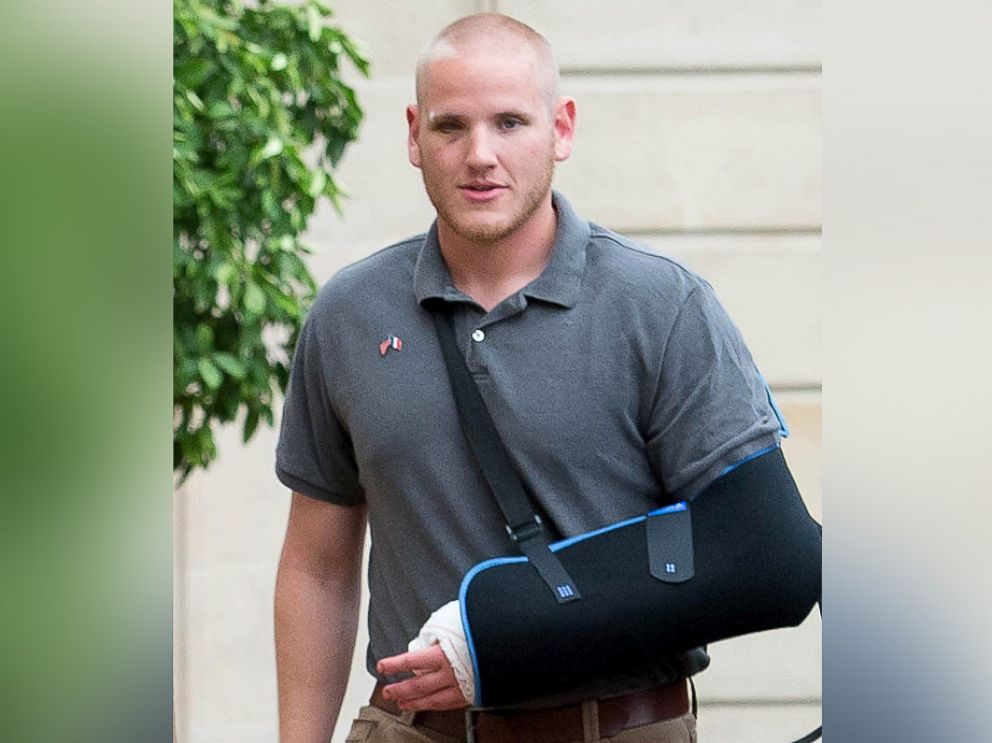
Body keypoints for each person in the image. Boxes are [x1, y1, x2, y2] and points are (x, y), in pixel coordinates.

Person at [274, 13, 791, 743]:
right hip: (409, 731)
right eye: (451, 126)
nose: (479, 155)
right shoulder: (349, 315)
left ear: (562, 129)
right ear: (414, 135)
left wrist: (500, 644)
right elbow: (318, 567)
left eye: (510, 122)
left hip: (614, 729)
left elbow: (766, 557)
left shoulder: (662, 306)